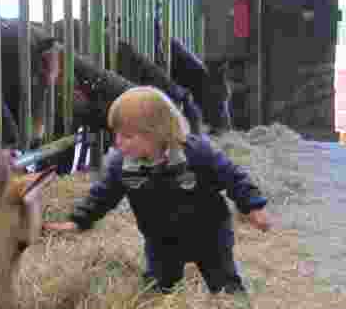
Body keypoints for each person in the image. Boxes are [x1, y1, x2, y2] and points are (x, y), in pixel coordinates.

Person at [42, 86, 271, 294]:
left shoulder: (196, 153)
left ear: (157, 133)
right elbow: (102, 196)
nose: (118, 142)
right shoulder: (123, 165)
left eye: (128, 136)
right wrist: (77, 222)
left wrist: (253, 207)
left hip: (209, 235)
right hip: (162, 240)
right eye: (116, 134)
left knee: (225, 285)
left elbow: (232, 176)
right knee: (155, 291)